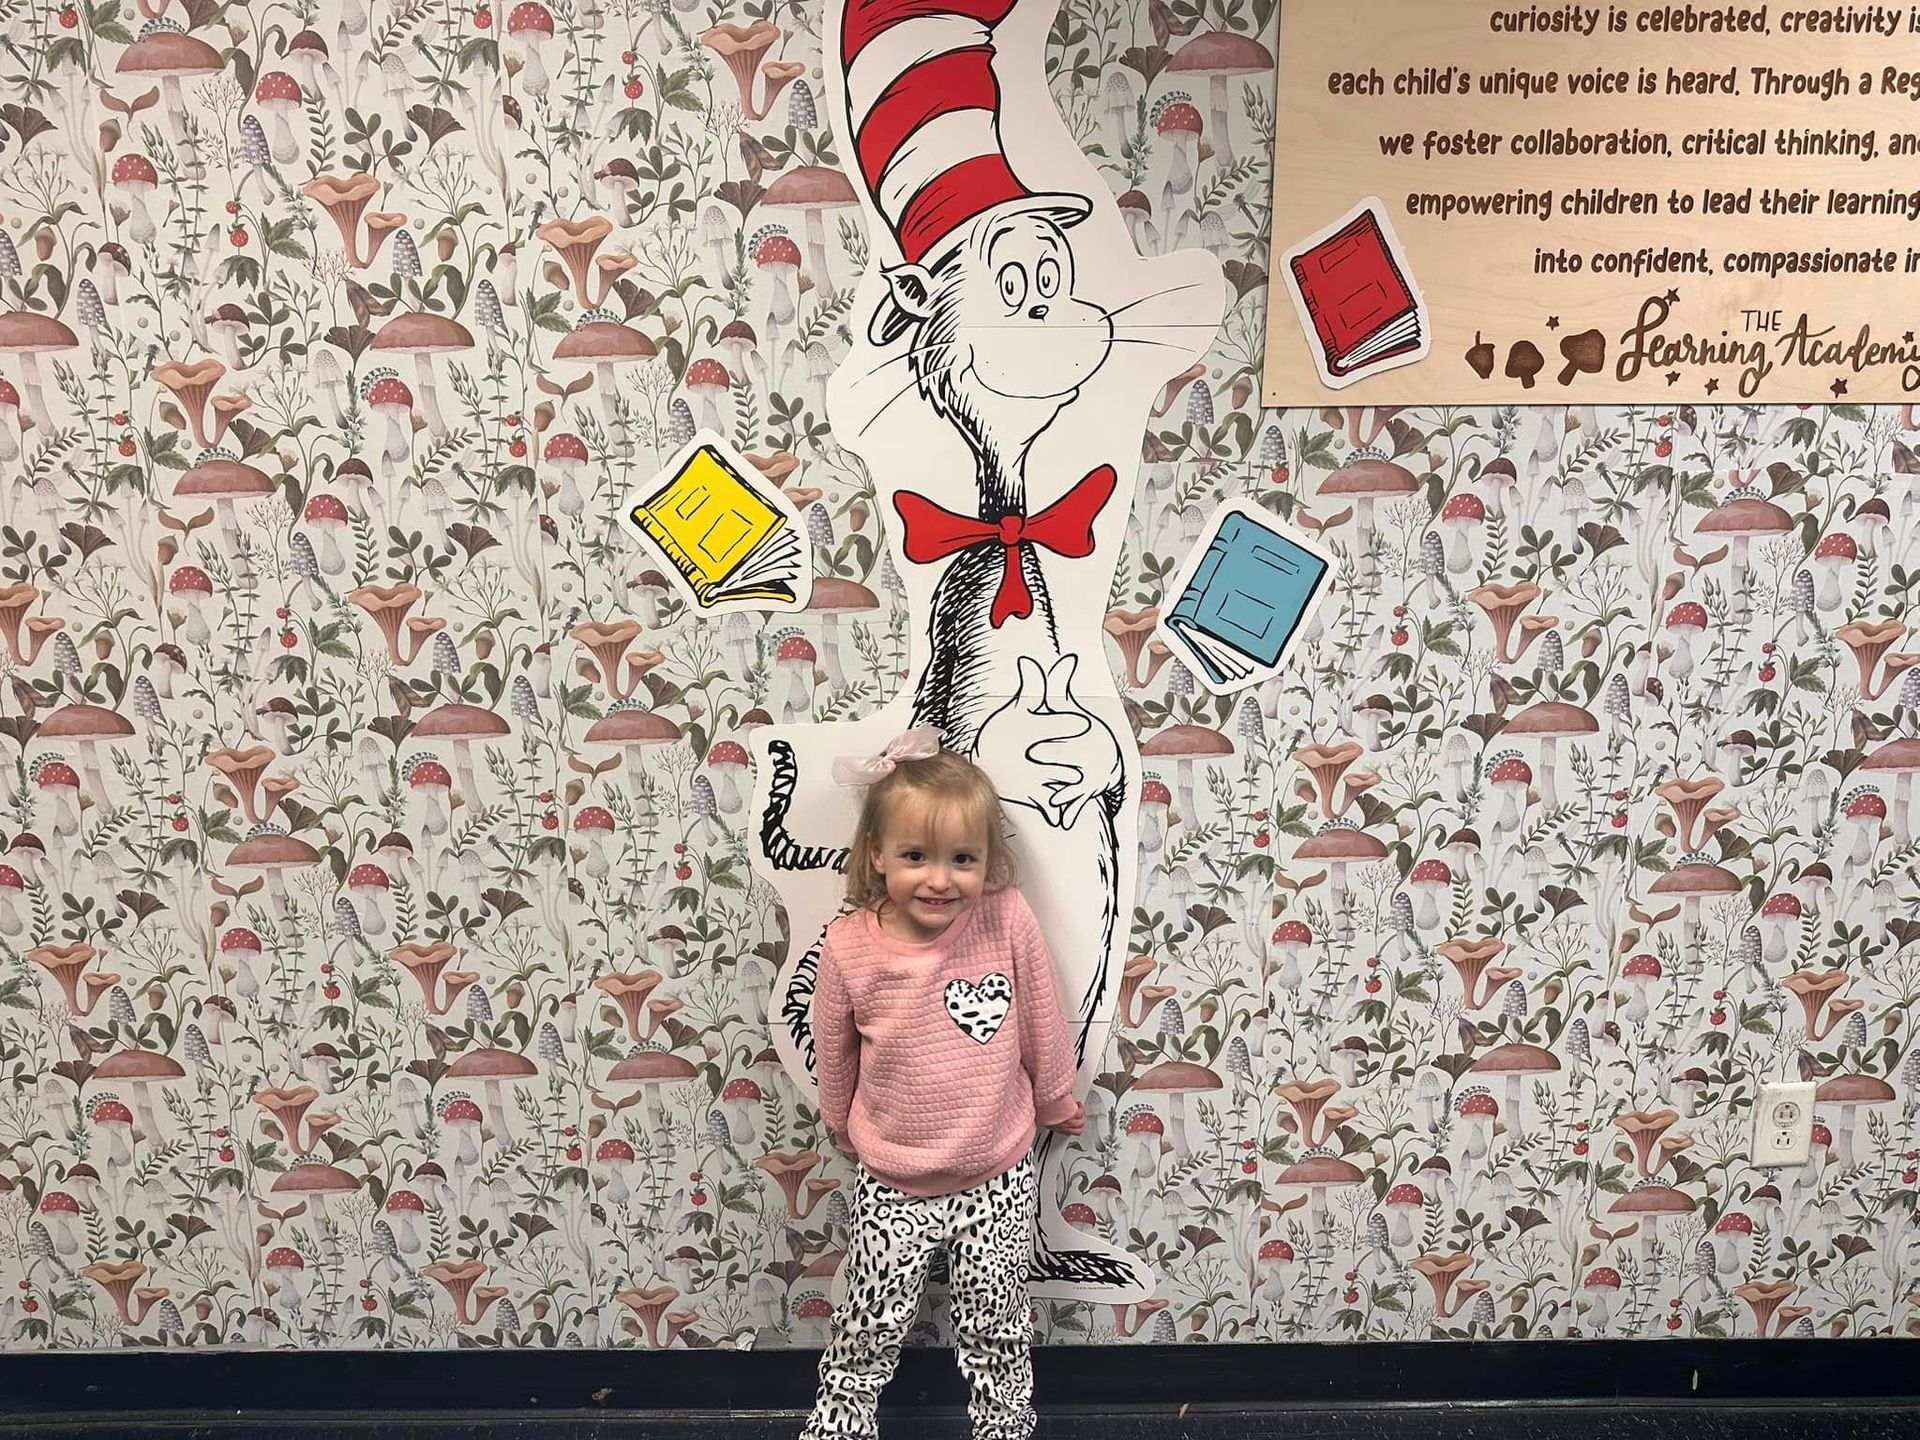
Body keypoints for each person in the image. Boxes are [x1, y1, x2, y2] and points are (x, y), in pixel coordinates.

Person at [799, 727, 1087, 1440]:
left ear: (990, 862)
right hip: (893, 1173)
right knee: (870, 1316)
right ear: (877, 856)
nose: (939, 878)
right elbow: (832, 1049)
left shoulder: (1005, 919)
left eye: (962, 859)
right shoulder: (849, 946)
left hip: (996, 1169)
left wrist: (1055, 1097)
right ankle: (841, 1423)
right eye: (915, 857)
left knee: (995, 1319)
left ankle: (1003, 1425)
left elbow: (1042, 1017)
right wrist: (840, 1122)